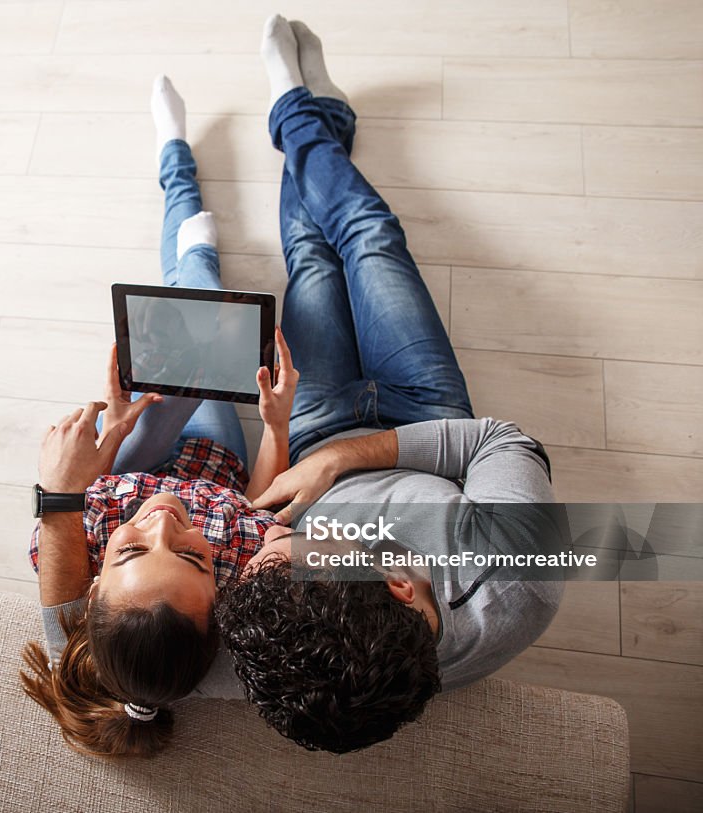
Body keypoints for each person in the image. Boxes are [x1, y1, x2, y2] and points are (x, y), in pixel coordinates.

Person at [210, 16, 566, 754]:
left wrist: (294, 444)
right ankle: (301, 112)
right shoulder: (517, 583)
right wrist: (342, 462)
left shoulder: (287, 649)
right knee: (368, 233)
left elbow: (85, 647)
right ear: (402, 583)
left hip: (309, 430)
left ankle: (312, 112)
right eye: (294, 545)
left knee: (311, 260)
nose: (267, 532)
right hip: (428, 413)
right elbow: (502, 440)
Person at [20, 75, 299, 758]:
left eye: (133, 547)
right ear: (219, 596)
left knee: (194, 311)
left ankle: (182, 192)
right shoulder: (243, 566)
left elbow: (92, 488)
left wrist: (115, 422)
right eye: (192, 555)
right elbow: (260, 498)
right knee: (200, 332)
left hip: (132, 460)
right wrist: (279, 424)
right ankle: (187, 230)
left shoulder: (69, 539)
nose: (167, 520)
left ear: (92, 580)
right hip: (218, 460)